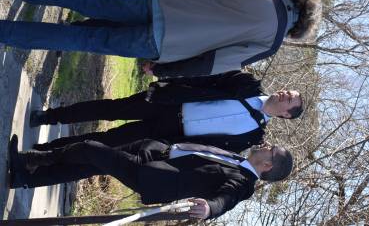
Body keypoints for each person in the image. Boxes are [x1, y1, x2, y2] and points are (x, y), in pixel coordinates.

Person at [0, 0, 322, 77]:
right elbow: (212, 63)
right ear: (298, 27)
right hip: (162, 44)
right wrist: (165, 70)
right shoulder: (269, 45)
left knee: (85, 0)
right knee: (83, 40)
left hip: (160, 5)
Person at [8, 135, 293, 219]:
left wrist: (209, 208)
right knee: (90, 162)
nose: (267, 145)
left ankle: (30, 161)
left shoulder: (244, 183)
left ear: (267, 165)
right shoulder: (240, 159)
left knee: (89, 149)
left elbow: (226, 199)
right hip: (156, 153)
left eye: (271, 149)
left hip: (153, 177)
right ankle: (26, 179)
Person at [30, 71, 303, 153]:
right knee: (109, 108)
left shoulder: (254, 136)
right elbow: (205, 79)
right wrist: (168, 82)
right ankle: (49, 116)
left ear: (286, 115)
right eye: (288, 91)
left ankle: (47, 150)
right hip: (169, 102)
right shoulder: (249, 84)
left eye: (289, 100)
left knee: (109, 142)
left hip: (168, 132)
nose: (284, 94)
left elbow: (213, 149)